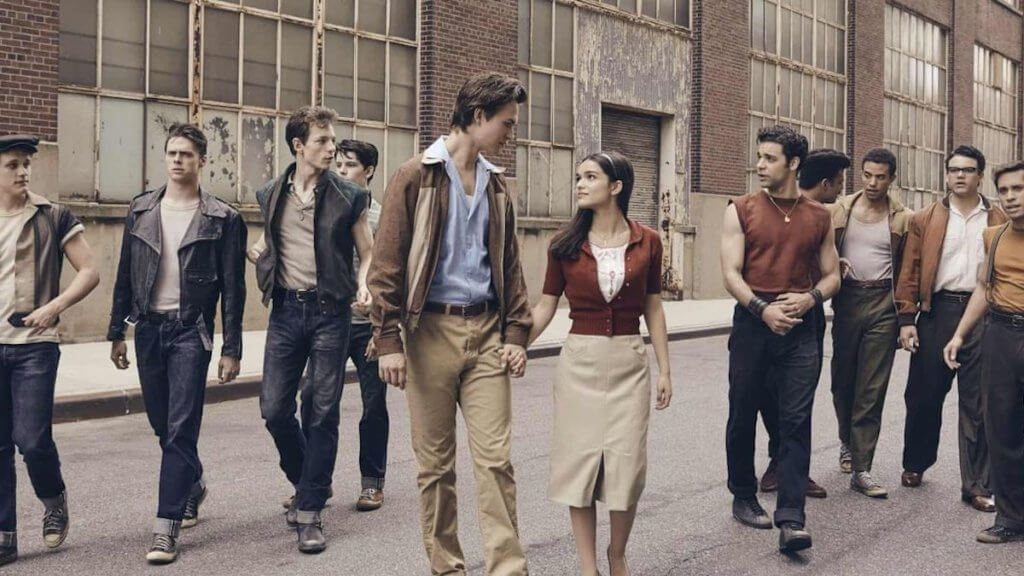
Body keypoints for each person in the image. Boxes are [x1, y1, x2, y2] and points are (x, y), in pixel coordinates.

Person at [368, 72, 532, 575]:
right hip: (427, 334)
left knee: (495, 460)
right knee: (435, 468)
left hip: (485, 331)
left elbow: (509, 267)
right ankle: (447, 567)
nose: (512, 132)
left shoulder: (497, 184)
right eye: (506, 123)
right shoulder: (415, 175)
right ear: (478, 116)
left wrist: (516, 333)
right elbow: (386, 265)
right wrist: (389, 338)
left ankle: (507, 568)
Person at [108, 123, 247, 564]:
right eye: (171, 152)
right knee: (161, 423)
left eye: (186, 153)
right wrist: (116, 331)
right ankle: (193, 482)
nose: (177, 160)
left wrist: (232, 348)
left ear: (202, 160)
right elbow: (125, 274)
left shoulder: (223, 218)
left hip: (192, 331)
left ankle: (165, 527)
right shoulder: (142, 210)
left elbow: (234, 289)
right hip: (148, 328)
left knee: (181, 427)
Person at [527, 151, 671, 576]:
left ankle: (617, 553)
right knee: (581, 466)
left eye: (590, 177)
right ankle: (589, 568)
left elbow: (654, 308)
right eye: (578, 177)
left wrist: (665, 369)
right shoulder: (564, 244)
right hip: (580, 363)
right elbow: (545, 306)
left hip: (629, 360)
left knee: (625, 466)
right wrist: (516, 344)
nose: (580, 184)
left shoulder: (649, 241)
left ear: (616, 187)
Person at [252, 106, 373, 553]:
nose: (332, 148)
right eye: (322, 141)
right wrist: (261, 253)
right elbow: (273, 237)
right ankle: (310, 483)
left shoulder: (348, 196)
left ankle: (310, 513)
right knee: (274, 409)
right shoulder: (270, 193)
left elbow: (368, 252)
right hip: (284, 311)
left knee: (322, 409)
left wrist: (364, 286)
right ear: (298, 146)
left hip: (331, 312)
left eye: (333, 140)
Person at [720, 125, 840, 553]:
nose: (760, 164)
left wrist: (810, 300)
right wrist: (761, 310)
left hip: (801, 324)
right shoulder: (741, 209)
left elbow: (832, 276)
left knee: (796, 421)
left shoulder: (819, 216)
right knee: (742, 413)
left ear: (793, 164)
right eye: (759, 156)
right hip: (754, 320)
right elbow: (731, 274)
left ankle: (792, 519)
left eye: (769, 158)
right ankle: (744, 495)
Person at [0, 134, 100, 568]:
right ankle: (5, 536)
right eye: (13, 165)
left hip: (35, 346)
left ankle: (53, 498)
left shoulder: (52, 216)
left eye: (26, 164)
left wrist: (54, 307)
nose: (24, 171)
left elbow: (91, 271)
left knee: (32, 440)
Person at [895, 146, 1003, 512]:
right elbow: (909, 270)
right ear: (946, 175)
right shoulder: (926, 217)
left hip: (984, 315)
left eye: (968, 170)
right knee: (924, 395)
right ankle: (916, 463)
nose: (960, 176)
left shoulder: (999, 217)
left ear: (980, 176)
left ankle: (975, 484)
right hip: (938, 312)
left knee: (978, 403)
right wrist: (907, 320)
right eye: (953, 169)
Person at [758, 148, 850, 498]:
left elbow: (825, 267)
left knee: (799, 397)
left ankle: (794, 468)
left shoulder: (822, 217)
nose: (841, 190)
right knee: (767, 392)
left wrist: (832, 272)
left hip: (807, 315)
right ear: (825, 182)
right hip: (765, 312)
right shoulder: (775, 210)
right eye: (839, 182)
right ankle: (778, 460)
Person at [943, 160, 1024, 544]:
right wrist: (959, 335)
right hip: (1001, 335)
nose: (1010, 197)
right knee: (1001, 428)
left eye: (1019, 189)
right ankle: (1011, 518)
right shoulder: (994, 236)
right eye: (1005, 190)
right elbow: (982, 289)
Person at [829, 147, 911, 498]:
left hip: (883, 304)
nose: (873, 182)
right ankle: (846, 440)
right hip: (847, 300)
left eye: (881, 176)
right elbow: (819, 251)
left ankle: (862, 467)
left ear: (892, 178)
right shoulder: (840, 210)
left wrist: (907, 315)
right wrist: (833, 265)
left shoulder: (903, 218)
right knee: (841, 382)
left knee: (871, 388)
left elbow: (908, 269)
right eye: (868, 175)